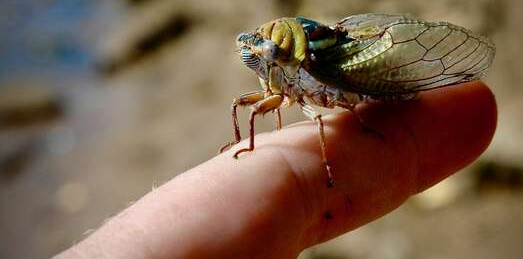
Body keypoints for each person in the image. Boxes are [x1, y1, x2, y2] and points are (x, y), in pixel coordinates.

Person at [56, 82, 496, 258]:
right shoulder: (273, 82)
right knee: (242, 106)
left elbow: (320, 109)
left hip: (345, 85)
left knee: (328, 119)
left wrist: (343, 140)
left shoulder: (300, 68)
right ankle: (246, 144)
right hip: (311, 90)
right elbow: (276, 100)